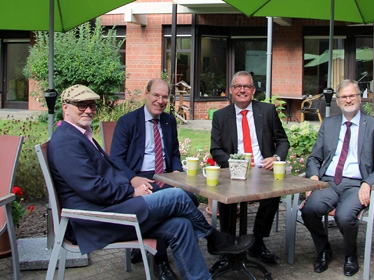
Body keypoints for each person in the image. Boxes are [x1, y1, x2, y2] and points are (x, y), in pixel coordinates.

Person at [48, 84, 254, 280]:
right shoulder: (67, 141)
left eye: (92, 105)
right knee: (178, 197)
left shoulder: (80, 135)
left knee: (180, 225)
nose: (88, 110)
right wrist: (131, 191)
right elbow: (91, 187)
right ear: (65, 108)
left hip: (111, 207)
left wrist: (135, 187)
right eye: (81, 105)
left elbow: (106, 174)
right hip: (95, 220)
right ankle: (214, 238)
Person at [301, 79, 374, 277]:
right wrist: (314, 176)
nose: (348, 100)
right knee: (309, 210)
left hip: (356, 184)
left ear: (359, 98)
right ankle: (323, 249)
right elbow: (314, 157)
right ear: (338, 100)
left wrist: (368, 183)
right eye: (344, 97)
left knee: (345, 216)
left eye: (352, 96)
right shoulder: (329, 124)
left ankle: (351, 255)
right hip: (329, 182)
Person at [110, 79, 198, 278]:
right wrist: (132, 178)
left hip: (165, 176)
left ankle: (146, 238)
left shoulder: (169, 121)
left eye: (165, 97)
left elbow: (174, 153)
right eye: (156, 95)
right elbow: (115, 159)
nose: (160, 100)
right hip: (141, 178)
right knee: (171, 202)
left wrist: (176, 172)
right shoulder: (128, 121)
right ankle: (160, 260)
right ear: (147, 94)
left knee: (190, 198)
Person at [210, 71, 290, 264]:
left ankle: (258, 242)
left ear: (253, 90)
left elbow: (282, 141)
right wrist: (235, 163)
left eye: (247, 87)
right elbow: (216, 149)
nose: (242, 90)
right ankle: (228, 245)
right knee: (226, 195)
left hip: (264, 170)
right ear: (231, 90)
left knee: (273, 193)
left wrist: (277, 157)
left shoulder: (268, 111)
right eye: (238, 86)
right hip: (234, 170)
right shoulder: (221, 116)